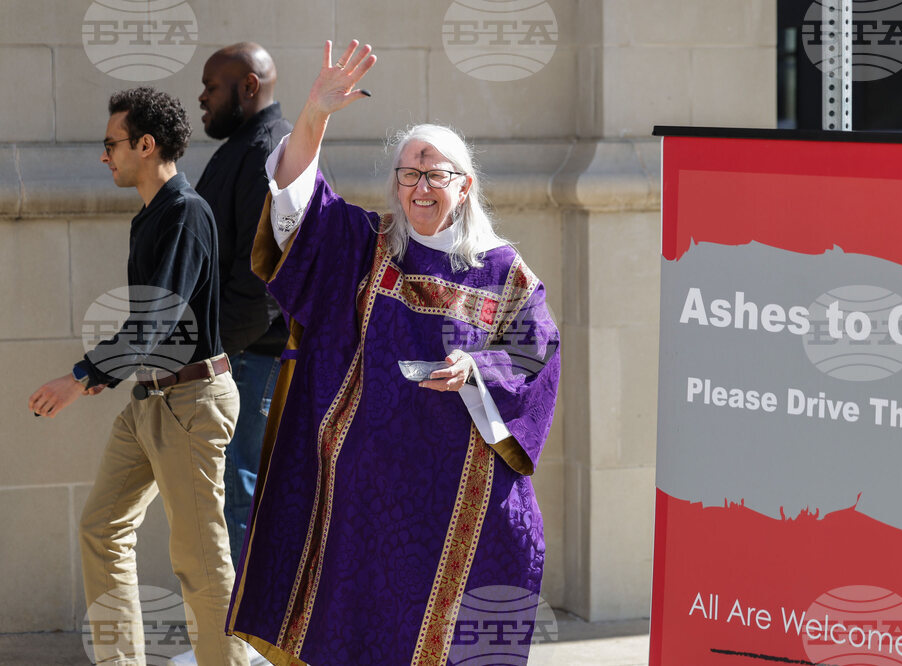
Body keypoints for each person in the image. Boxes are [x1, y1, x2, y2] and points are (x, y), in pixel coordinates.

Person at [225, 41, 560, 664]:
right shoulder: (366, 245)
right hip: (361, 501)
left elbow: (536, 357)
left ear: (465, 186)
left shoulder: (505, 274)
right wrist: (315, 115)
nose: (420, 187)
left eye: (435, 175)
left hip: (452, 502)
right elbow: (296, 202)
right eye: (409, 174)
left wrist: (476, 369)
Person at [28, 87, 249, 666]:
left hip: (191, 400)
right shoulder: (152, 215)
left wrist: (81, 376)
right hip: (151, 399)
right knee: (101, 528)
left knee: (200, 560)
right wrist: (104, 375)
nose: (105, 156)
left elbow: (157, 321)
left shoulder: (185, 213)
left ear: (146, 145)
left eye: (112, 144)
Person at [196, 42, 293, 563]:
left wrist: (211, 352)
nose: (202, 97)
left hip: (251, 358)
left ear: (248, 86)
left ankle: (247, 619)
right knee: (234, 494)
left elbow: (262, 283)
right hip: (239, 356)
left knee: (241, 497)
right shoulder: (246, 146)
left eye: (212, 87)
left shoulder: (267, 152)